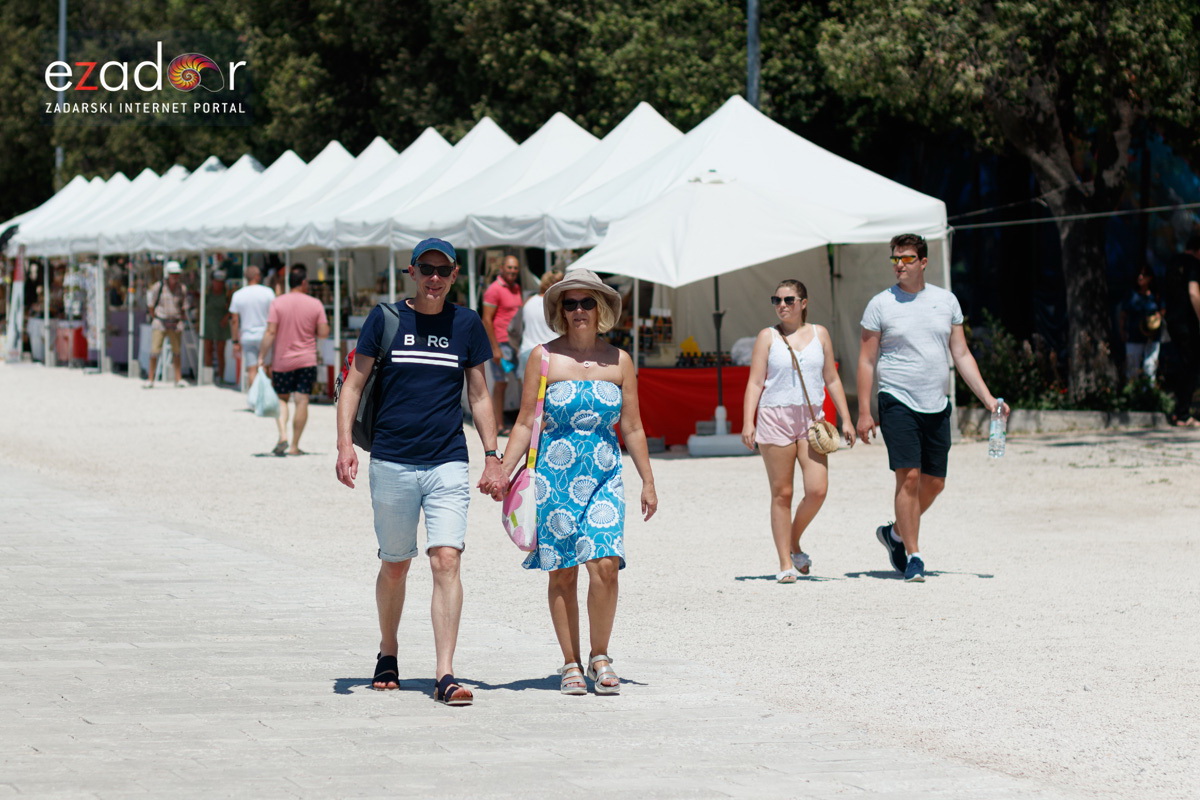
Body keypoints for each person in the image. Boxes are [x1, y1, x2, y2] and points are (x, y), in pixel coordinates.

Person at [335, 238, 506, 705]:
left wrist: (493, 454)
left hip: (447, 458)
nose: (435, 278)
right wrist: (345, 443)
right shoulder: (385, 319)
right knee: (395, 564)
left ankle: (445, 673)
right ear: (412, 272)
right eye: (426, 269)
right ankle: (388, 651)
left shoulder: (467, 324)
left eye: (443, 270)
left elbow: (478, 395)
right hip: (390, 458)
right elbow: (354, 383)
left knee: (446, 559)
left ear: (454, 276)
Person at [488, 269, 658, 696]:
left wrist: (648, 481)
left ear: (600, 308)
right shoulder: (543, 358)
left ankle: (600, 656)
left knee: (605, 565)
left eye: (586, 303)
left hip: (604, 478)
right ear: (559, 310)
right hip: (554, 479)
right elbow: (526, 421)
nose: (578, 310)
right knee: (562, 574)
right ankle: (570, 662)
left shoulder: (620, 361)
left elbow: (633, 428)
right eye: (570, 303)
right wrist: (501, 471)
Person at [856, 233, 1007, 583]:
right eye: (895, 259)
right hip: (896, 399)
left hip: (936, 403)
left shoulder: (946, 301)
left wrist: (989, 400)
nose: (900, 265)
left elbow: (962, 354)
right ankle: (914, 556)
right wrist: (864, 412)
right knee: (908, 476)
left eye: (907, 258)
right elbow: (866, 361)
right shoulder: (880, 304)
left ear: (923, 262)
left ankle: (894, 534)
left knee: (935, 482)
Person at [740, 280, 855, 583]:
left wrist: (846, 418)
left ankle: (793, 542)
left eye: (789, 300)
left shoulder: (820, 334)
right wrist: (748, 421)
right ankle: (784, 564)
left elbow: (832, 378)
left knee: (817, 490)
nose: (782, 305)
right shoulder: (767, 337)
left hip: (812, 421)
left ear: (804, 303)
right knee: (783, 493)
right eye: (776, 299)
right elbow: (754, 382)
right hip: (774, 417)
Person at [258, 264, 329, 456]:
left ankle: (282, 435)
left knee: (282, 399)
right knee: (302, 400)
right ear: (304, 282)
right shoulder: (315, 304)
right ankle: (295, 446)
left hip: (282, 360)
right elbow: (323, 333)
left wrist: (262, 356)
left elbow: (271, 331)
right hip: (306, 359)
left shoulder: (277, 303)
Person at [481, 254, 524, 435]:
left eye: (515, 268)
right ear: (502, 269)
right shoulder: (494, 289)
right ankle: (498, 425)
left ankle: (518, 424)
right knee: (501, 384)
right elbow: (487, 320)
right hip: (501, 342)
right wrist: (495, 348)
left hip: (515, 343)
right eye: (509, 267)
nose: (513, 271)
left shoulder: (516, 288)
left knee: (522, 382)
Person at [1163, 232, 1200, 427]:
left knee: (1182, 364)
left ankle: (1179, 412)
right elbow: (1194, 293)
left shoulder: (1172, 263)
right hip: (1188, 323)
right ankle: (1183, 414)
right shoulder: (1193, 264)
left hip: (1173, 321)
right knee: (1191, 366)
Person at [145, 260, 191, 388]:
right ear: (167, 274)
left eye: (177, 274)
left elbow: (184, 306)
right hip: (160, 322)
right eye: (172, 273)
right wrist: (156, 317)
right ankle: (150, 379)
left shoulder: (182, 289)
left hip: (175, 323)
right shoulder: (158, 287)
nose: (175, 276)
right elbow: (150, 305)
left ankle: (178, 379)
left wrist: (180, 318)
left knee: (177, 352)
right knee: (154, 351)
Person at [228, 265, 276, 389]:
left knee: (251, 369)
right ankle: (266, 398)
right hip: (265, 334)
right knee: (265, 366)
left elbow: (234, 320)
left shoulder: (238, 294)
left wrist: (235, 341)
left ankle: (254, 400)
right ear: (257, 276)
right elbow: (274, 315)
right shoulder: (268, 292)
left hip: (247, 335)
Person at [1118, 266, 1163, 382]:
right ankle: (1133, 394)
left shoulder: (1155, 295)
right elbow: (1123, 315)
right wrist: (1122, 330)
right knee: (1133, 366)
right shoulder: (1131, 295)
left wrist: (1158, 317)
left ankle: (1149, 394)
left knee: (1150, 366)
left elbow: (1162, 309)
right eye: (1139, 275)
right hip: (1134, 334)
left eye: (1144, 275)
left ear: (1150, 278)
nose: (1140, 277)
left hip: (1152, 335)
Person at [516, 270, 564, 380]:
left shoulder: (528, 301)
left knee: (528, 395)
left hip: (527, 351)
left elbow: (514, 328)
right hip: (551, 354)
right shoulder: (556, 304)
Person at [202, 270, 231, 384]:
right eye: (216, 281)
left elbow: (231, 308)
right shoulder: (207, 292)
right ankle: (208, 377)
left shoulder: (227, 293)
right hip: (209, 323)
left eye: (220, 282)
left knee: (220, 352)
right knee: (208, 350)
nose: (218, 284)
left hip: (221, 325)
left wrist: (226, 317)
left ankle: (221, 377)